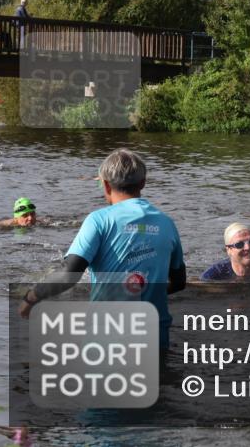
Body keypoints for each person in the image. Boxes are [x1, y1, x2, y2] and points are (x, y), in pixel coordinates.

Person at [19, 149, 187, 349]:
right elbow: (178, 282)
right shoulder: (167, 223)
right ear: (143, 182)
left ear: (106, 185)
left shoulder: (99, 220)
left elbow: (69, 274)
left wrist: (31, 298)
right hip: (155, 337)